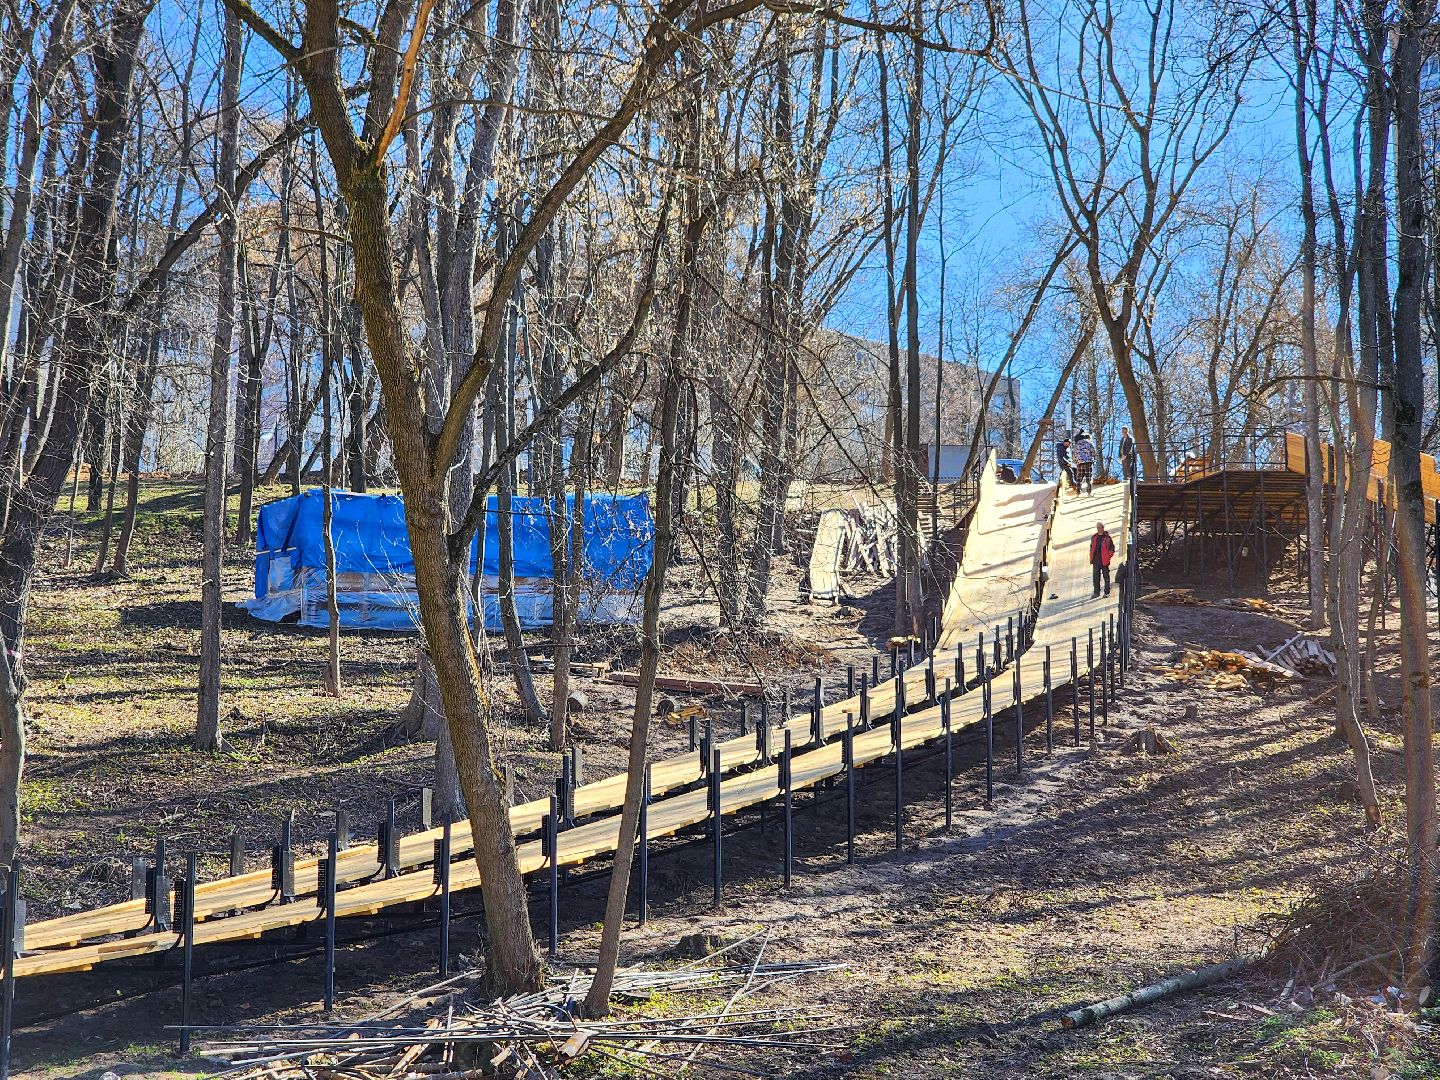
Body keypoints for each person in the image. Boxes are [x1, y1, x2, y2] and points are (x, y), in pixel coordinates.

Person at [1090, 521, 1115, 598]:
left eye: (1100, 527)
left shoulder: (1107, 538)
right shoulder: (1094, 537)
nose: (1098, 529)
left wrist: (1108, 556)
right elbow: (1091, 547)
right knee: (1096, 577)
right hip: (1096, 560)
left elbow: (1112, 548)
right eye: (1097, 528)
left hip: (1104, 560)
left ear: (1103, 528)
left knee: (1106, 577)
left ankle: (1107, 592)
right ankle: (1096, 592)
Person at [1073, 430, 1096, 494]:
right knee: (1088, 477)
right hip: (1088, 462)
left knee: (1079, 478)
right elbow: (1093, 452)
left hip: (1079, 463)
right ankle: (1089, 492)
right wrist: (1093, 459)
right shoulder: (1089, 443)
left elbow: (1074, 454)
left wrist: (1077, 461)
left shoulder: (1076, 444)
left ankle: (1078, 492)